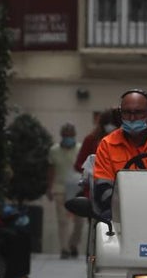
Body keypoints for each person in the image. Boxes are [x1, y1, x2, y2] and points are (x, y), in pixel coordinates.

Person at [47, 123, 83, 258]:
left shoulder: (80, 149)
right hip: (60, 188)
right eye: (66, 136)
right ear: (62, 136)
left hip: (77, 188)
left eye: (71, 136)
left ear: (74, 136)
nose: (68, 138)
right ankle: (64, 249)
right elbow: (51, 170)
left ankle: (73, 244)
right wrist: (49, 187)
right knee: (62, 220)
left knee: (79, 222)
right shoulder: (54, 150)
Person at [74, 109, 116, 197]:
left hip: (118, 187)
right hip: (94, 188)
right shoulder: (91, 140)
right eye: (108, 123)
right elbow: (79, 164)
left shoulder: (125, 141)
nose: (111, 126)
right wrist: (91, 171)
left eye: (114, 123)